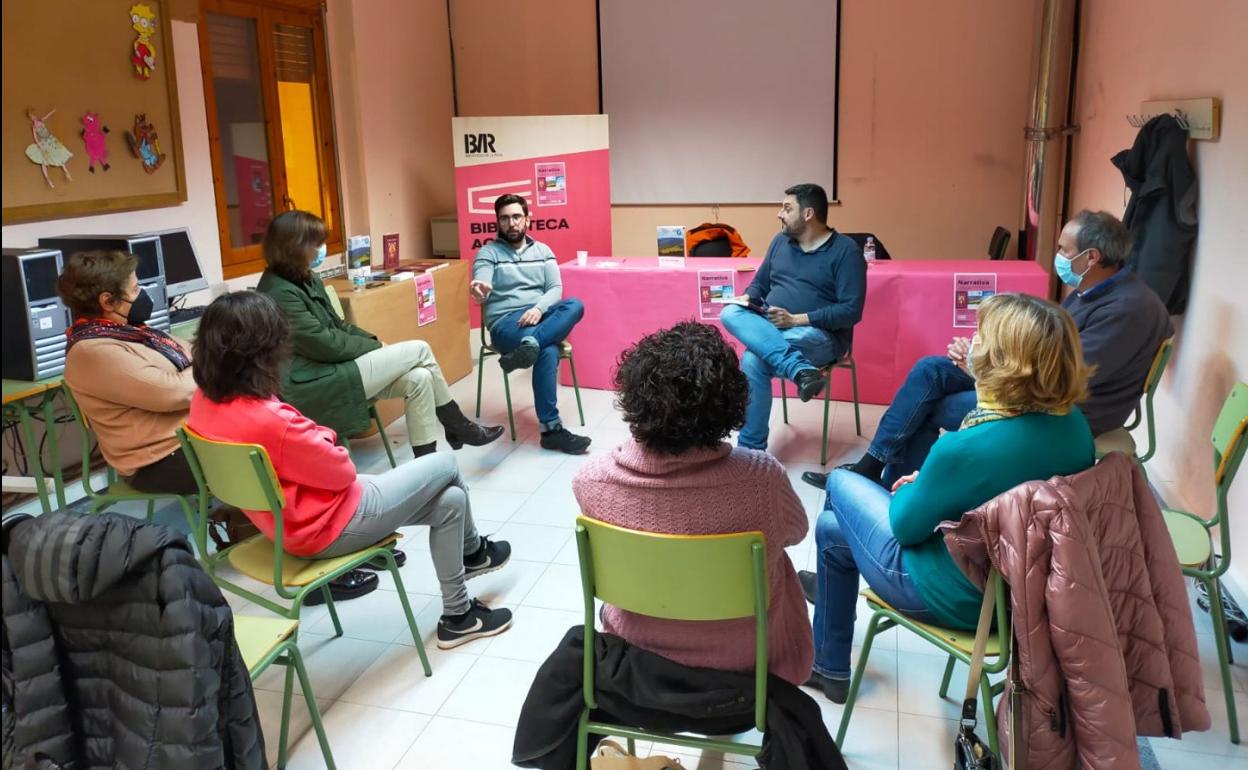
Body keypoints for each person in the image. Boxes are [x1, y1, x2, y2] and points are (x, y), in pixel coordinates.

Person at [804, 293, 1096, 703]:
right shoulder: (1075, 427)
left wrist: (918, 488)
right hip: (1029, 593)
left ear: (1005, 361)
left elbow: (904, 527)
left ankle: (829, 663)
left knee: (839, 484)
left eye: (980, 336)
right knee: (834, 531)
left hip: (956, 596)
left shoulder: (965, 447)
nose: (972, 342)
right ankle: (827, 664)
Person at [188, 291, 514, 648]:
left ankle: (459, 615)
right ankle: (473, 553)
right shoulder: (271, 420)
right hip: (328, 523)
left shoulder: (203, 404)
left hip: (288, 523)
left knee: (451, 501)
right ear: (262, 351)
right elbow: (341, 469)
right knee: (445, 464)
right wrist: (323, 435)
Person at [801, 209, 1172, 491]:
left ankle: (900, 492)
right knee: (931, 369)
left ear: (1090, 257)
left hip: (1059, 409)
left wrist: (983, 367)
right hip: (1035, 386)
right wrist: (987, 356)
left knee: (933, 409)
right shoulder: (1097, 290)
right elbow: (1044, 349)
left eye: (1063, 249)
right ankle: (874, 465)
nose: (1058, 255)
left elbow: (1059, 378)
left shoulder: (1126, 309)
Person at [573, 322, 813, 685]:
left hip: (635, 663)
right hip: (749, 669)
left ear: (635, 397)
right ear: (731, 403)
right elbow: (796, 532)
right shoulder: (763, 479)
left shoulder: (591, 480)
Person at [257, 210, 503, 460]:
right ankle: (458, 425)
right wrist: (373, 349)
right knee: (420, 349)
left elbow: (339, 326)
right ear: (295, 247)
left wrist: (373, 342)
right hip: (312, 382)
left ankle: (428, 463)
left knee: (420, 378)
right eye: (317, 243)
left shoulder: (306, 278)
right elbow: (324, 344)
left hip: (332, 368)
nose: (322, 250)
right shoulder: (278, 291)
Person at [719, 183, 866, 452]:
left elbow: (851, 311)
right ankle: (800, 370)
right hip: (773, 328)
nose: (779, 214)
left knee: (753, 358)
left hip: (821, 337)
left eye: (787, 208)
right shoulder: (780, 242)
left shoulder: (846, 252)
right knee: (729, 311)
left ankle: (750, 451)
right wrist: (748, 300)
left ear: (808, 214)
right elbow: (759, 285)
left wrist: (797, 319)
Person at [57, 250, 196, 494]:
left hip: (189, 441)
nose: (142, 294)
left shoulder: (130, 331)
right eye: (134, 289)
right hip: (157, 461)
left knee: (271, 431)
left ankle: (252, 519)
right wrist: (213, 366)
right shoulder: (92, 351)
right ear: (108, 301)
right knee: (264, 453)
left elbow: (191, 354)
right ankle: (251, 521)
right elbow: (175, 393)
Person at [471, 193, 590, 454]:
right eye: (504, 218)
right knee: (547, 349)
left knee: (575, 305)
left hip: (539, 318)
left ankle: (531, 345)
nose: (511, 223)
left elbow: (555, 288)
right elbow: (481, 278)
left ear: (527, 219)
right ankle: (551, 430)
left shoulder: (543, 251)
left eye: (516, 217)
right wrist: (479, 288)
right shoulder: (488, 253)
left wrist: (538, 308)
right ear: (498, 222)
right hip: (506, 325)